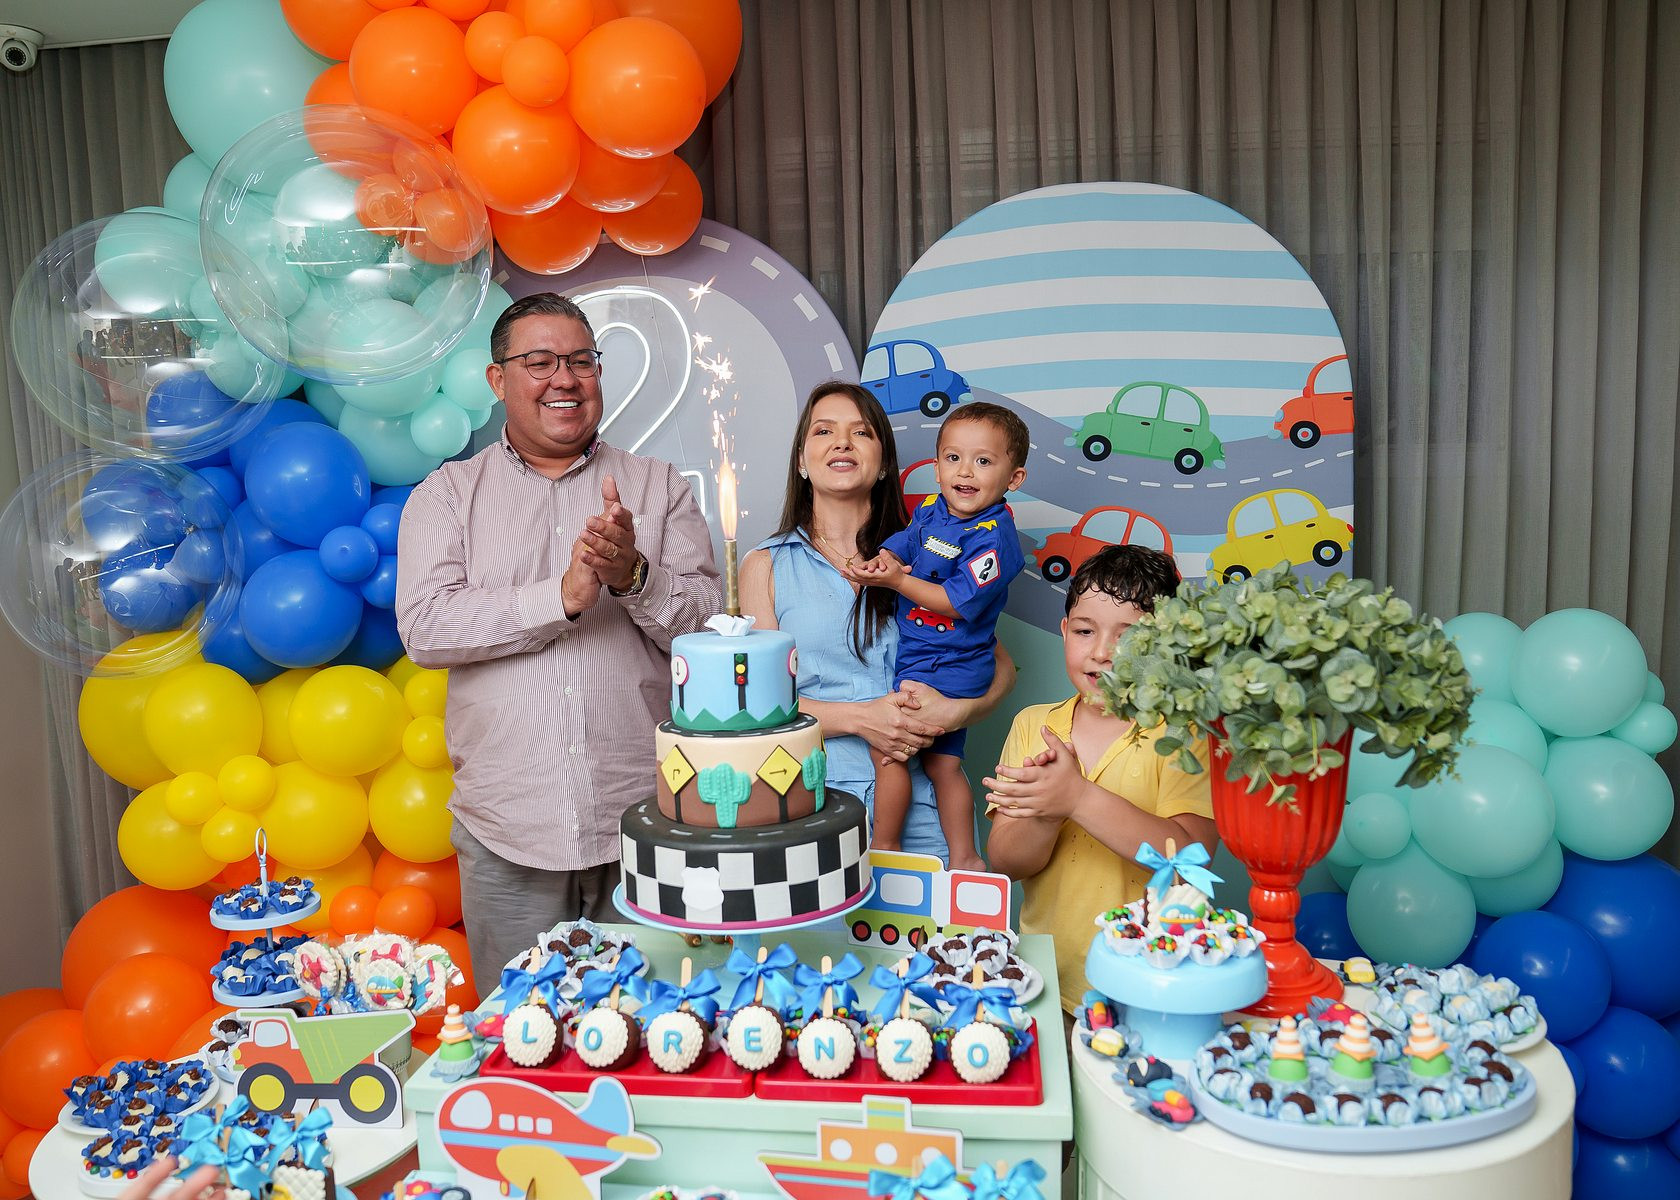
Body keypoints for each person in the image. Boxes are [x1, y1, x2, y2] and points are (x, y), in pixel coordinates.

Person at [396, 292, 722, 980]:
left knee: (656, 1024)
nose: (564, 380)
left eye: (581, 361)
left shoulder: (657, 487)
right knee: (519, 1029)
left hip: (645, 823)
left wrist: (632, 575)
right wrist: (562, 598)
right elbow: (425, 627)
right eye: (540, 362)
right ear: (498, 379)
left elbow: (707, 633)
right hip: (508, 827)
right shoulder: (447, 494)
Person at [740, 382, 1017, 864]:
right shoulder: (765, 564)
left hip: (927, 811)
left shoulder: (934, 547)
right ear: (802, 460)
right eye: (824, 431)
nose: (842, 443)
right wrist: (862, 719)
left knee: (939, 915)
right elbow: (762, 704)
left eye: (861, 432)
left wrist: (954, 714)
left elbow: (1001, 670)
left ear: (885, 460)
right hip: (814, 803)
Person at [983, 544, 1218, 1018]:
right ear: (1064, 630)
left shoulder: (1182, 734)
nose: (1102, 653)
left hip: (1152, 986)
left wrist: (1077, 796)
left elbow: (1192, 860)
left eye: (1129, 637)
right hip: (1047, 983)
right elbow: (1006, 862)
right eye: (1085, 631)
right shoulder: (1034, 725)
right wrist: (1047, 813)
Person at [842, 403, 1030, 870]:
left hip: (949, 664)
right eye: (953, 458)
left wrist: (896, 582)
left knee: (889, 750)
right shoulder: (933, 508)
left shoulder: (995, 539)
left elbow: (952, 601)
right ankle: (966, 857)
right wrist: (886, 558)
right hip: (925, 654)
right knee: (942, 764)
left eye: (983, 461)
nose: (965, 471)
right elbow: (909, 540)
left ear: (1014, 478)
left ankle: (885, 847)